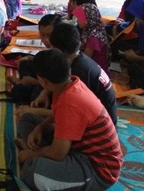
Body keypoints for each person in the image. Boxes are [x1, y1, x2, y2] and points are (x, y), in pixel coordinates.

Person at [16, 49, 123, 190]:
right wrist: (40, 127)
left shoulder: (70, 101)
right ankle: (38, 154)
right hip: (75, 147)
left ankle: (35, 155)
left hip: (97, 168)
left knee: (32, 171)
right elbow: (56, 114)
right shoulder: (69, 84)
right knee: (28, 119)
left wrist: (31, 155)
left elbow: (58, 153)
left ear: (43, 81)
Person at [8, 13, 62, 104]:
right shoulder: (53, 47)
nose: (45, 39)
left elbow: (58, 84)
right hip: (45, 80)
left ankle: (21, 84)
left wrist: (34, 82)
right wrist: (32, 58)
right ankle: (23, 83)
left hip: (52, 87)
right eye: (42, 35)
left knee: (19, 92)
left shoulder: (61, 51)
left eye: (49, 35)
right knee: (25, 63)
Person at [72, 3, 112, 73]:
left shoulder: (95, 36)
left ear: (88, 17)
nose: (77, 20)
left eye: (79, 18)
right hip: (92, 65)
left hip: (97, 71)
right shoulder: (90, 30)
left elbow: (85, 58)